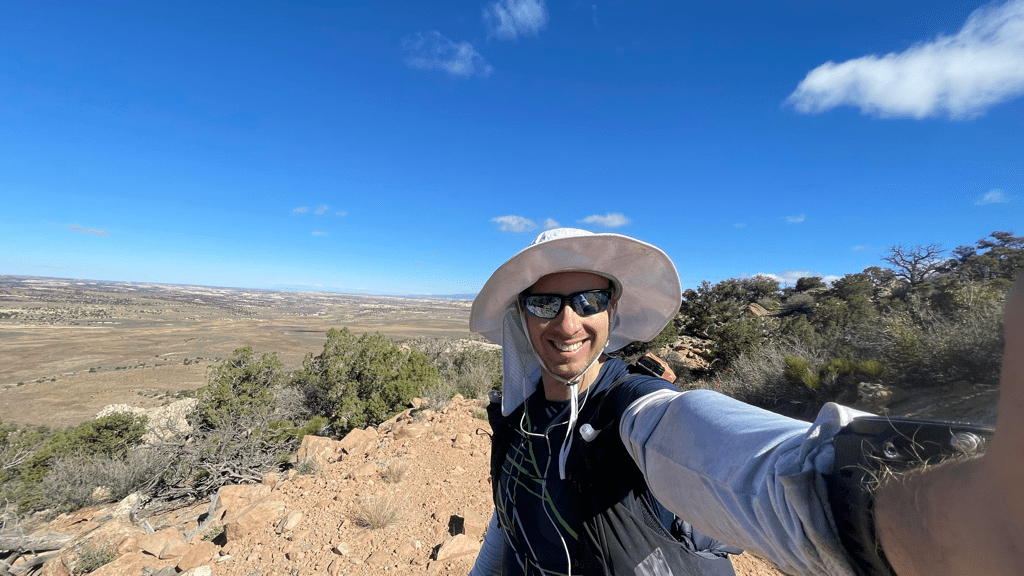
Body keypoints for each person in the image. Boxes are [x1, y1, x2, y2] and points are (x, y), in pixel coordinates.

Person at [466, 227, 1024, 576]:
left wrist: (924, 515)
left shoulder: (639, 410)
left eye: (586, 299)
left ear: (612, 311)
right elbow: (511, 512)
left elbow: (737, 460)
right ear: (523, 315)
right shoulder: (518, 417)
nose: (567, 322)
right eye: (545, 303)